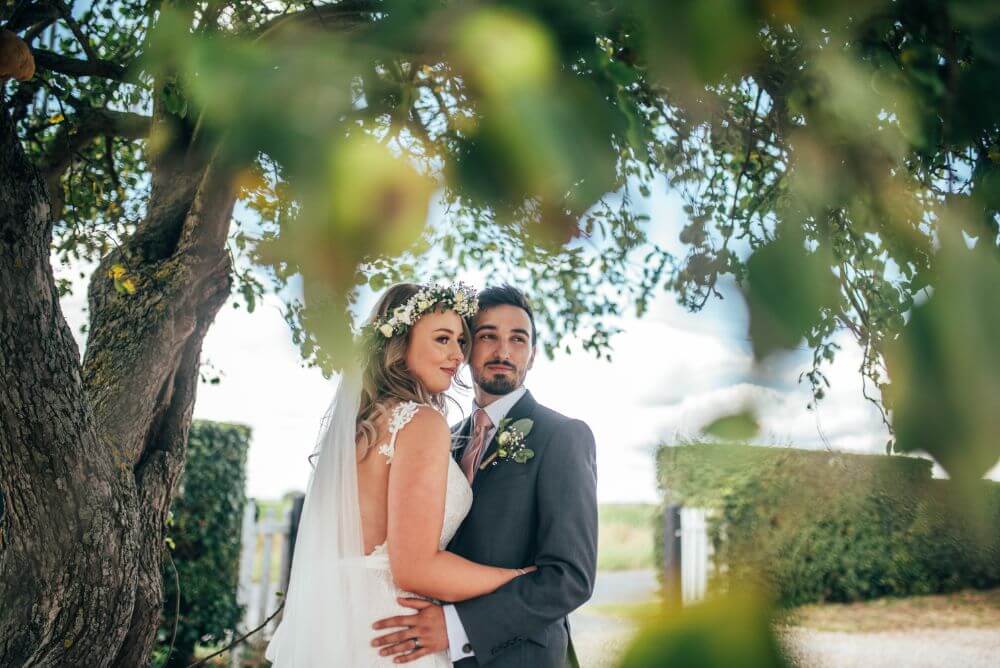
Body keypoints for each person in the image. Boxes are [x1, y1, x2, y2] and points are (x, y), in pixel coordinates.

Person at [265, 282, 535, 667]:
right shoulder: (421, 422)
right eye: (442, 339)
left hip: (338, 626)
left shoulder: (362, 425)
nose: (457, 354)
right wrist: (517, 577)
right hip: (393, 633)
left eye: (461, 341)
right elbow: (415, 568)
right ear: (400, 342)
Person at [371, 285, 598, 667]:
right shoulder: (441, 437)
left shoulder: (563, 436)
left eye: (518, 339)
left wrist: (455, 625)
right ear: (465, 349)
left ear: (533, 353)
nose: (503, 352)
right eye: (488, 336)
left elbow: (570, 577)